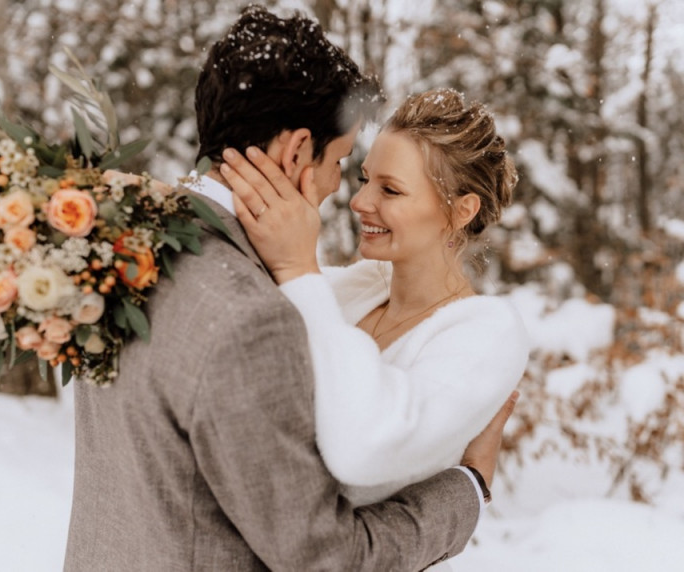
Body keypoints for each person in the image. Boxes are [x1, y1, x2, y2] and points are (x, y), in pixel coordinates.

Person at [64, 7, 516, 571]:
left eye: (390, 188)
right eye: (347, 166)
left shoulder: (119, 249)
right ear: (297, 151)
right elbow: (322, 557)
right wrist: (470, 486)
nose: (349, 196)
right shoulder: (256, 313)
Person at [221, 88, 530, 568]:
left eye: (391, 190)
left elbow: (361, 449)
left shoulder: (486, 332)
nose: (360, 201)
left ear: (461, 210)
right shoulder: (356, 287)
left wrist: (300, 266)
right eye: (365, 179)